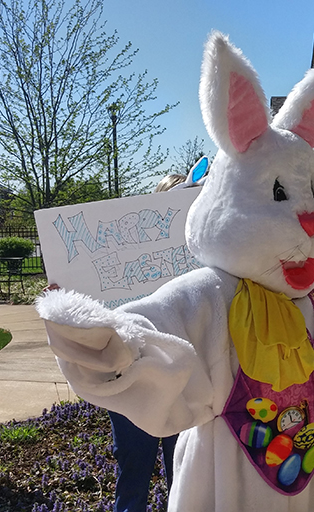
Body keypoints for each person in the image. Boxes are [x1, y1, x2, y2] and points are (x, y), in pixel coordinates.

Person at [43, 173, 189, 512]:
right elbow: (89, 313)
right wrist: (61, 301)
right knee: (134, 476)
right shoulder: (122, 254)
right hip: (129, 383)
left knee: (182, 476)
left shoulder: (200, 261)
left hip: (179, 381)